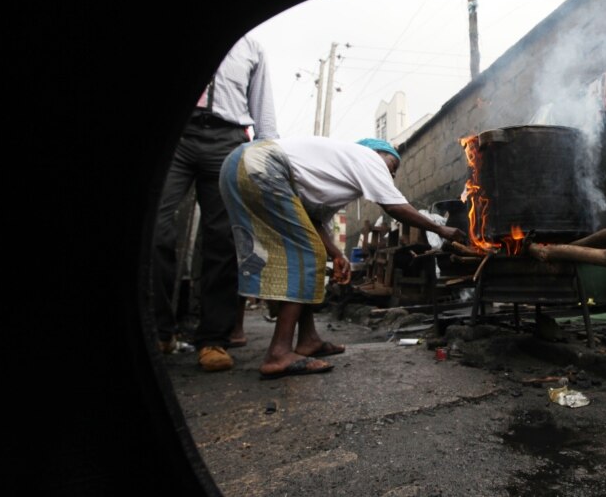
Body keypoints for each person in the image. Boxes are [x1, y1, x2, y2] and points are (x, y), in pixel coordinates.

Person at [219, 136, 466, 379]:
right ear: (378, 154)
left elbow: (312, 221)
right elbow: (393, 206)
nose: (391, 176)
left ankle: (308, 341)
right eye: (392, 166)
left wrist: (337, 255)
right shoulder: (367, 157)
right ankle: (279, 354)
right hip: (261, 164)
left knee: (306, 252)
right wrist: (440, 229)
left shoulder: (332, 177)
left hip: (239, 165)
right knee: (306, 254)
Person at [152, 34, 278, 372]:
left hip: (227, 138)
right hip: (177, 134)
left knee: (222, 239)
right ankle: (159, 329)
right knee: (155, 230)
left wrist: (265, 157)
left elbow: (262, 106)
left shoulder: (251, 47)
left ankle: (213, 341)